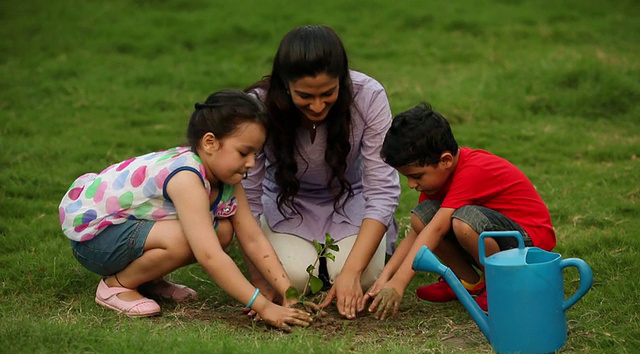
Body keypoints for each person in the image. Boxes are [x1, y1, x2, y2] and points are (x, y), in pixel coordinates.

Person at [58, 89, 314, 331]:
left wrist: (288, 294)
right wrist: (262, 305)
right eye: (244, 152)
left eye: (256, 154)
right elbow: (209, 255)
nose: (251, 163)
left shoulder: (229, 180)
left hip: (126, 234)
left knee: (223, 231)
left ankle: (147, 281)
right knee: (190, 239)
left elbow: (253, 239)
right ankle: (116, 286)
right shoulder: (186, 177)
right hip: (94, 241)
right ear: (210, 142)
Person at [242, 25, 401, 319]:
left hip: (351, 199)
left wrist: (352, 273)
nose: (317, 105)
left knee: (361, 278)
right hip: (285, 203)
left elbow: (383, 190)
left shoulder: (369, 96)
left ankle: (355, 261)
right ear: (285, 86)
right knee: (297, 280)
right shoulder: (259, 105)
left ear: (343, 80)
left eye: (328, 93)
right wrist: (259, 280)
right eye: (304, 96)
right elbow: (246, 198)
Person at [365, 102, 556, 320]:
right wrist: (386, 278)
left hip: (529, 244)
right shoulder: (438, 181)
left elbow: (437, 230)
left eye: (416, 176)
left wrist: (400, 284)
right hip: (496, 237)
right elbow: (419, 234)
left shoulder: (473, 170)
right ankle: (467, 283)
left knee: (463, 222)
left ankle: (500, 288)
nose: (411, 184)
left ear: (445, 160)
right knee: (422, 216)